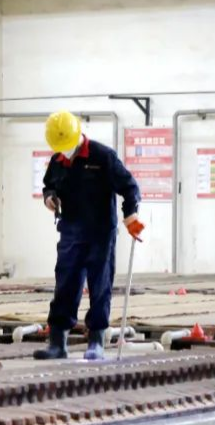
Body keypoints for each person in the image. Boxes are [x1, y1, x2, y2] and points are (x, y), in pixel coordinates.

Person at [33, 111, 143, 361]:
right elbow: (49, 185)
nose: (64, 152)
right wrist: (49, 197)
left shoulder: (102, 157)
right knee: (65, 286)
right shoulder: (58, 160)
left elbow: (130, 187)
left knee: (99, 286)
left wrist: (131, 216)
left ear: (78, 136)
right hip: (70, 232)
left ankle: (96, 342)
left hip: (100, 234)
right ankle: (58, 343)